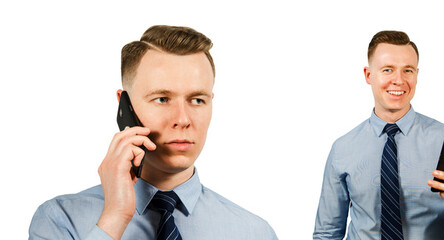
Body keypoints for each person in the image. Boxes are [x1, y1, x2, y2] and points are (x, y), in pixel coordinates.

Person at [29, 25, 277, 240]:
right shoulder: (59, 220)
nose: (182, 120)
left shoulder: (255, 233)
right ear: (125, 106)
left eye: (197, 100)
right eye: (162, 99)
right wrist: (115, 217)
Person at [313, 30, 444, 240]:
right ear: (368, 75)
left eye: (407, 70)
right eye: (388, 70)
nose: (399, 80)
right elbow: (326, 233)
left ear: (417, 75)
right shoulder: (343, 148)